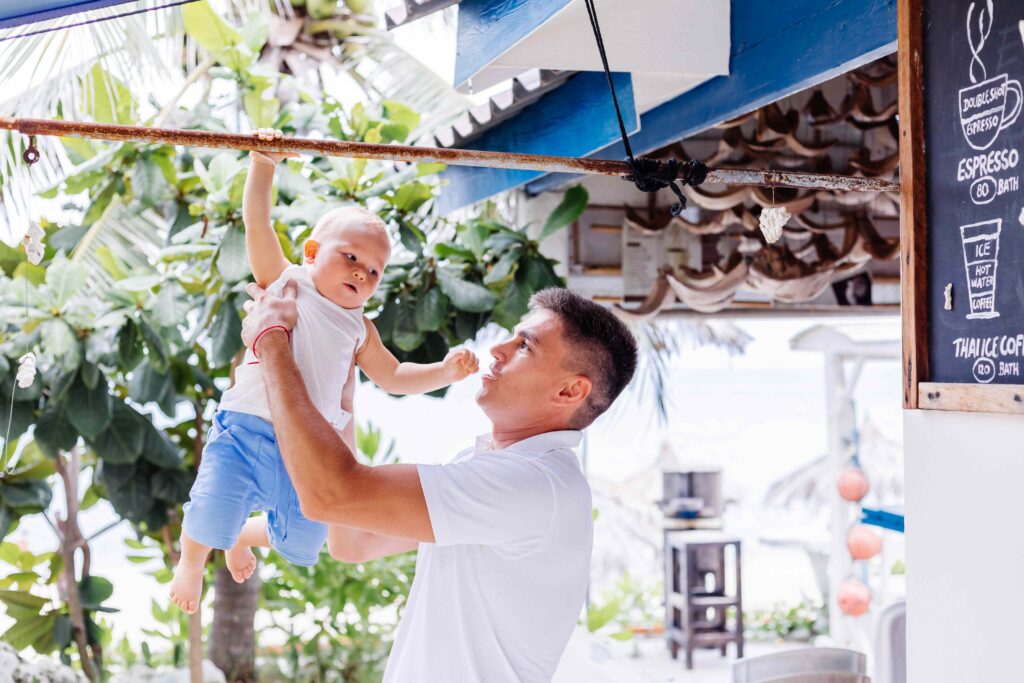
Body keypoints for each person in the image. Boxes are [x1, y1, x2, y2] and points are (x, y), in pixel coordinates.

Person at [240, 282, 639, 682]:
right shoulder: (494, 465)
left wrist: (271, 342)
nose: (498, 350)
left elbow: (331, 496)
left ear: (570, 390)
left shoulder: (532, 485)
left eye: (525, 347)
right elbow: (354, 541)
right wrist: (341, 396)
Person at [169, 130, 479, 614]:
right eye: (350, 256)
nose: (361, 272)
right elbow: (258, 226)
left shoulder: (361, 328)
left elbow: (394, 378)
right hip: (247, 426)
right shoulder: (289, 282)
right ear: (312, 253)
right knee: (210, 512)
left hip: (308, 448)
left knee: (305, 539)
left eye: (374, 270)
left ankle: (243, 537)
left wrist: (444, 372)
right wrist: (263, 164)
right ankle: (192, 561)